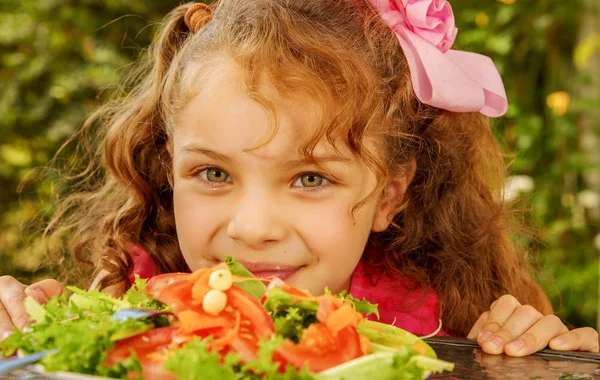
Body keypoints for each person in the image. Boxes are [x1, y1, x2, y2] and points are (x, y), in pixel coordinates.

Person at [0, 0, 597, 357]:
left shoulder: (456, 321)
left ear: (389, 193)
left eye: (311, 178)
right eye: (212, 172)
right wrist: (32, 346)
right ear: (168, 172)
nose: (254, 228)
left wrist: (546, 367)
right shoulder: (130, 309)